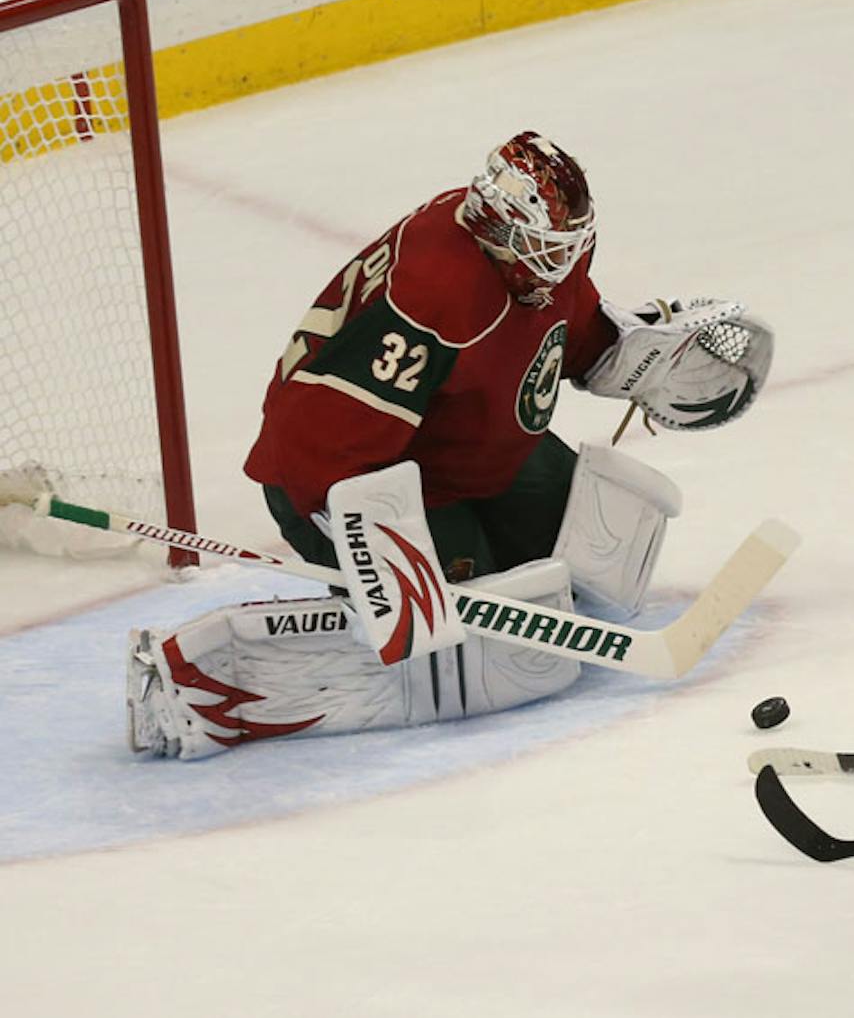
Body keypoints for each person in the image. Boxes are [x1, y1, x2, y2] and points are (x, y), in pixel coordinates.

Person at [124, 131, 775, 759]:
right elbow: (319, 433)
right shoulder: (434, 293)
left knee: (591, 558)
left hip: (458, 442)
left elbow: (559, 331)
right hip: (341, 475)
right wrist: (370, 545)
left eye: (570, 246)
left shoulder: (528, 260)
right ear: (498, 231)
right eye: (547, 249)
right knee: (467, 646)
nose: (564, 264)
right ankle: (195, 681)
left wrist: (629, 351)